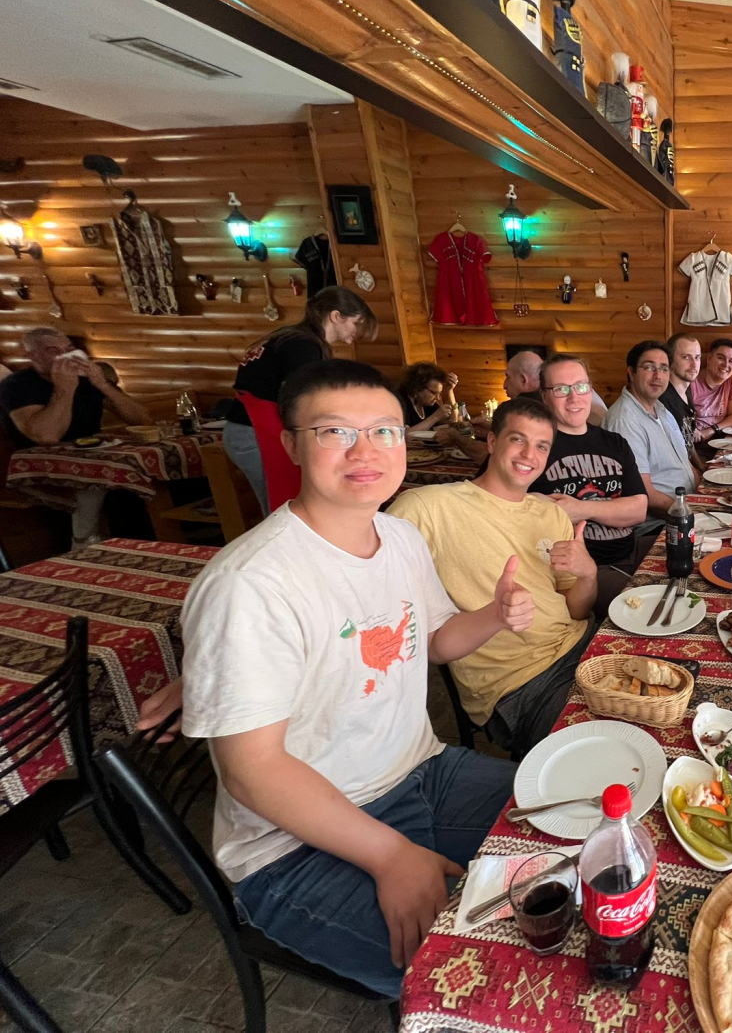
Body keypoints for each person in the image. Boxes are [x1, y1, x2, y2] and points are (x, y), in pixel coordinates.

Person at [171, 358, 528, 998]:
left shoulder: (399, 538)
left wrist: (494, 616)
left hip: (422, 772)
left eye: (385, 431)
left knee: (580, 831)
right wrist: (391, 855)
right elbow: (252, 771)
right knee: (488, 974)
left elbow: (436, 642)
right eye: (335, 431)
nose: (366, 451)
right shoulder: (249, 584)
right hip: (292, 847)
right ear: (290, 444)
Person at [389, 397, 599, 760]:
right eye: (518, 439)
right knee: (592, 758)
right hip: (519, 682)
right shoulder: (429, 507)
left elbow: (576, 611)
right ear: (491, 441)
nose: (529, 455)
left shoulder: (551, 513)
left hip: (581, 645)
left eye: (541, 446)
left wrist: (588, 573)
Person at [224, 286, 377, 515]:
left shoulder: (295, 338)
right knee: (282, 508)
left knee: (289, 503)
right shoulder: (303, 346)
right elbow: (304, 399)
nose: (358, 331)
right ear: (336, 316)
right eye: (356, 323)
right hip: (254, 432)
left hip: (253, 429)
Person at [0, 327, 152, 544]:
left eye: (69, 348)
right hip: (40, 466)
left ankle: (141, 544)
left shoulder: (86, 380)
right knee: (106, 481)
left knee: (137, 480)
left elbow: (143, 420)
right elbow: (46, 436)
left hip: (92, 456)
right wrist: (65, 389)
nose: (66, 356)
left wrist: (102, 384)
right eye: (53, 351)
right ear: (31, 356)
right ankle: (84, 544)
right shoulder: (16, 385)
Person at [529, 354, 648, 610]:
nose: (574, 398)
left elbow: (639, 509)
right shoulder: (534, 448)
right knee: (650, 604)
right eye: (561, 389)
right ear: (545, 396)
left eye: (580, 386)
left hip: (632, 550)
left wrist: (580, 509)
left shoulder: (615, 443)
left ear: (590, 390)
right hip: (583, 573)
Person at [603, 341, 697, 514]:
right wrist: (689, 513)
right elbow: (645, 493)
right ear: (631, 373)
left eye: (663, 369)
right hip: (660, 521)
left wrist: (708, 494)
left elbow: (686, 464)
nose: (657, 376)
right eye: (649, 367)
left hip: (686, 504)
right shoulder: (625, 420)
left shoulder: (661, 409)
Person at [690, 338, 732, 443]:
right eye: (721, 358)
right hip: (696, 445)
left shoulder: (729, 382)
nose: (726, 365)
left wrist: (712, 430)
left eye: (731, 361)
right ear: (709, 358)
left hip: (721, 443)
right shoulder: (692, 383)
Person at [660, 333, 702, 450]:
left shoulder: (686, 390)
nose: (694, 364)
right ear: (670, 360)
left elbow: (688, 440)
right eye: (686, 357)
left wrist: (699, 461)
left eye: (697, 357)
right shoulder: (664, 399)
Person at [396, 362, 456, 434]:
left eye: (439, 394)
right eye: (434, 393)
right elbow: (404, 435)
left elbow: (453, 422)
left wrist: (450, 391)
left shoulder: (427, 403)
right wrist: (435, 417)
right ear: (417, 387)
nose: (438, 398)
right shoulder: (400, 401)